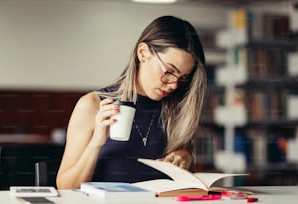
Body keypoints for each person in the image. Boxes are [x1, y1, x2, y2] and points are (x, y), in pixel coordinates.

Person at [56, 15, 207, 189]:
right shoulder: (92, 105)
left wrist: (186, 156)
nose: (173, 84)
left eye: (183, 78)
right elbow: (65, 188)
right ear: (143, 53)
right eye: (169, 71)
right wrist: (96, 142)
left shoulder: (177, 108)